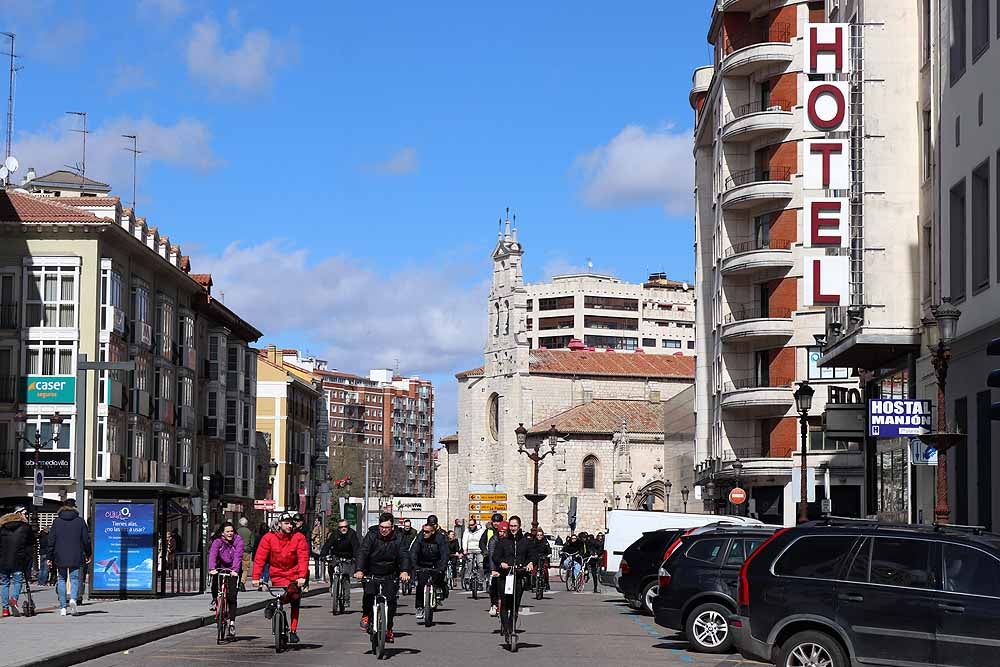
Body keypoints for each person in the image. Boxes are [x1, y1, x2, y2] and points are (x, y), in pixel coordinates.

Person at [251, 513, 309, 644]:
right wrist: (256, 578)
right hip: (277, 573)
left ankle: (293, 631)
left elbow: (303, 558)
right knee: (281, 596)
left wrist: (301, 576)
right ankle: (275, 607)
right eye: (286, 523)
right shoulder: (269, 538)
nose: (289, 526)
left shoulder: (298, 537)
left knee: (294, 598)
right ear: (279, 524)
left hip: (294, 573)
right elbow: (260, 558)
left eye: (291, 523)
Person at [355, 512, 411, 643]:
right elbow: (363, 552)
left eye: (387, 527)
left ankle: (388, 629)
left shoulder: (399, 537)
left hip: (390, 573)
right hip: (372, 571)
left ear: (392, 527)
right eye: (381, 527)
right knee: (369, 595)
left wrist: (404, 571)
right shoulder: (372, 535)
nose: (384, 530)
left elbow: (404, 555)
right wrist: (359, 570)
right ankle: (366, 616)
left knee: (391, 602)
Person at [491, 516, 537, 632]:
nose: (513, 528)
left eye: (515, 526)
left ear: (519, 526)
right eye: (511, 526)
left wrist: (530, 563)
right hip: (505, 575)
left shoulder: (526, 541)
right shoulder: (503, 541)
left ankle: (511, 629)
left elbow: (533, 555)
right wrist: (501, 563)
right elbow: (495, 556)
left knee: (515, 605)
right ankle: (506, 629)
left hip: (519, 575)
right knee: (505, 604)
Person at [46, 499, 91, 617]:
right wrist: (88, 553)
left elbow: (51, 540)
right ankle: (73, 600)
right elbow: (86, 540)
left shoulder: (57, 522)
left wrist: (49, 556)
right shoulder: (80, 522)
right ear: (74, 507)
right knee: (75, 579)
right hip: (76, 554)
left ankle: (62, 607)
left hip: (59, 555)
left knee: (61, 579)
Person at [208, 522, 244, 634]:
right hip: (220, 566)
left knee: (232, 596)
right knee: (215, 581)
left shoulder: (238, 541)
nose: (230, 533)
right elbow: (213, 555)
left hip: (233, 568)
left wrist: (235, 571)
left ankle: (232, 622)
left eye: (231, 531)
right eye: (227, 531)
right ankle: (215, 599)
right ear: (222, 532)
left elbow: (238, 556)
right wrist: (212, 568)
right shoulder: (217, 541)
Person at [0, 507, 36, 617]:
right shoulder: (25, 527)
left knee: (5, 583)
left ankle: (5, 609)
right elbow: (32, 542)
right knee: (17, 582)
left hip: (3, 561)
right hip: (18, 560)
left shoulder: (2, 528)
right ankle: (14, 599)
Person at [412, 523, 448, 621]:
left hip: (436, 563)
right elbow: (414, 552)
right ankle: (419, 607)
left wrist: (442, 567)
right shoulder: (420, 537)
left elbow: (445, 553)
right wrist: (415, 566)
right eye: (423, 531)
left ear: (433, 532)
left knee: (439, 577)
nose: (424, 533)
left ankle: (440, 589)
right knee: (420, 585)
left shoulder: (440, 538)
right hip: (422, 564)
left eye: (427, 532)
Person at [484, 520, 508, 616]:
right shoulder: (494, 539)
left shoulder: (510, 539)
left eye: (504, 531)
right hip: (496, 564)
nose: (501, 533)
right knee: (494, 584)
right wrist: (493, 569)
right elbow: (491, 555)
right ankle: (493, 604)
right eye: (500, 531)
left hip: (507, 565)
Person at [292, 513, 311, 591]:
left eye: (298, 521)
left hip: (303, 551)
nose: (296, 522)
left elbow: (308, 541)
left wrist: (308, 551)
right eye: (294, 520)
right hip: (294, 551)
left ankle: (306, 583)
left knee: (304, 568)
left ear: (302, 521)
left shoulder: (306, 529)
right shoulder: (292, 529)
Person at [236, 518, 255, 592]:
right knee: (245, 568)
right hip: (246, 551)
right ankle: (242, 582)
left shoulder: (237, 531)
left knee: (237, 567)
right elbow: (252, 543)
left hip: (238, 551)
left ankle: (237, 582)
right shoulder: (249, 532)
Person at [532, 527, 552, 591]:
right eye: (538, 535)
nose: (539, 536)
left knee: (545, 570)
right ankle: (534, 584)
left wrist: (549, 554)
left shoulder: (545, 542)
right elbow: (531, 550)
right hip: (536, 558)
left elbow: (548, 550)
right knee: (533, 571)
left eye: (541, 535)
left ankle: (546, 583)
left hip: (543, 557)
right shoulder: (534, 541)